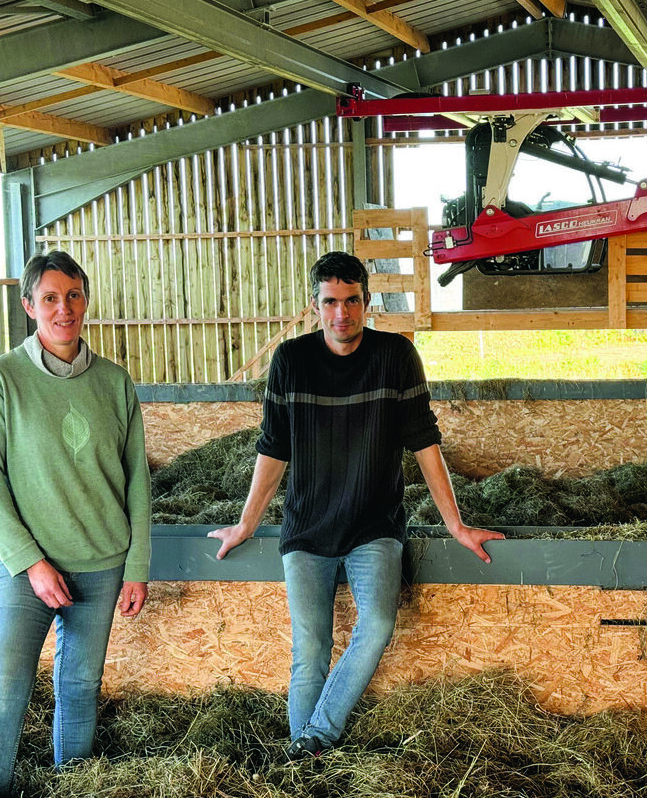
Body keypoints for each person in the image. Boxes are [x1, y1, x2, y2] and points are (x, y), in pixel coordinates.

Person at [209, 251, 503, 760]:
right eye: (330, 302)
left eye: (351, 301)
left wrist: (455, 524)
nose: (341, 313)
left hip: (374, 527)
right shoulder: (291, 362)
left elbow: (424, 443)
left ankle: (313, 740)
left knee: (378, 626)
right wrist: (244, 524)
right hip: (306, 529)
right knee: (310, 654)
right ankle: (310, 762)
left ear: (366, 303)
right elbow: (274, 447)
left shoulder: (395, 356)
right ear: (314, 306)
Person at [0, 250, 151, 798]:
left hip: (102, 562)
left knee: (79, 686)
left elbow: (138, 481)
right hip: (25, 568)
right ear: (29, 305)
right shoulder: (0, 380)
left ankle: (72, 787)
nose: (63, 308)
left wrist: (136, 566)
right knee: (6, 687)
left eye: (73, 295)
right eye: (49, 297)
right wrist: (30, 562)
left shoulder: (115, 383)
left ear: (85, 301)